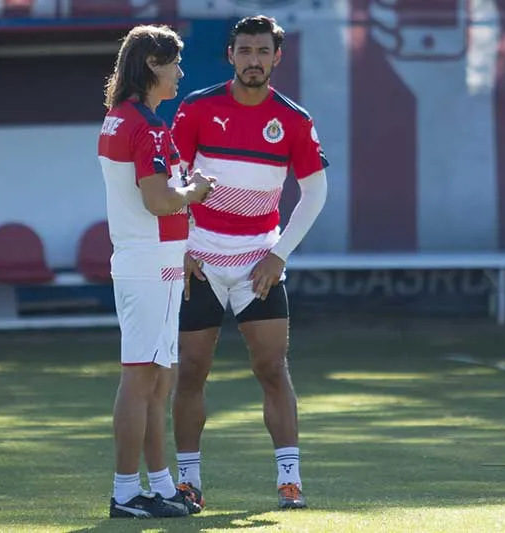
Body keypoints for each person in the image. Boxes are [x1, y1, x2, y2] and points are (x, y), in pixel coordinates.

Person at [170, 15, 328, 510]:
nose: (254, 60)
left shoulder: (295, 119)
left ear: (277, 57)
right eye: (245, 51)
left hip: (259, 261)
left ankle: (289, 479)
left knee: (272, 368)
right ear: (230, 55)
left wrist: (279, 254)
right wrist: (182, 247)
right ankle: (189, 482)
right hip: (200, 261)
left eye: (263, 52)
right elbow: (168, 183)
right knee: (191, 371)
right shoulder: (197, 109)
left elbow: (316, 192)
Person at [98, 24, 216, 519]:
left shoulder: (121, 120)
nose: (180, 72)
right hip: (150, 261)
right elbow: (158, 200)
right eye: (174, 62)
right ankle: (126, 492)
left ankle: (160, 485)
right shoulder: (143, 126)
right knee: (141, 378)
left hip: (151, 259)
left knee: (157, 379)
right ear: (152, 63)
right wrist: (196, 191)